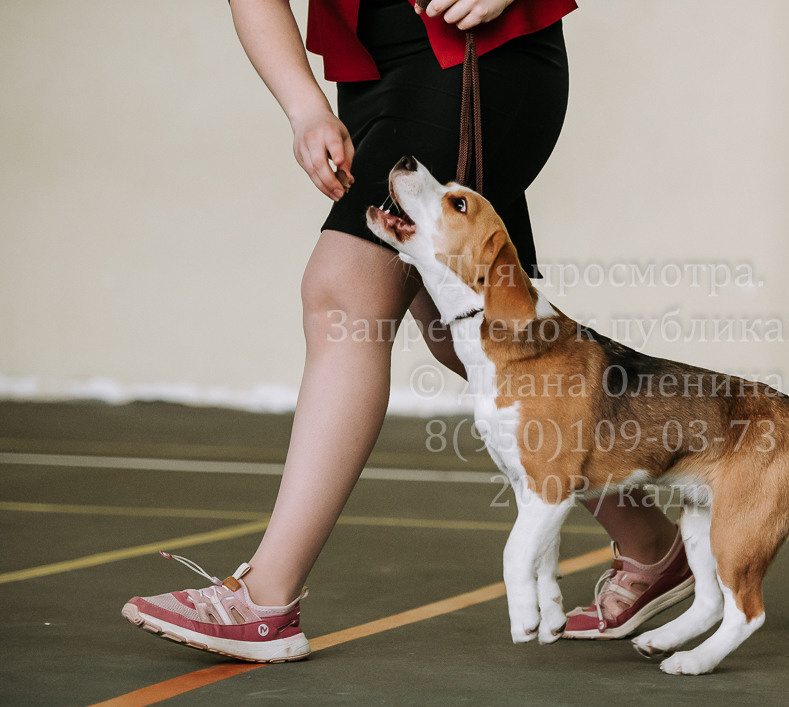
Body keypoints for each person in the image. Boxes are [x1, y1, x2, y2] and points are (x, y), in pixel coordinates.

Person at [123, 0, 694, 662]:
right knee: (465, 332)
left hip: (474, 56)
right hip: (371, 72)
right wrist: (304, 105)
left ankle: (265, 598)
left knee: (343, 293)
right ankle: (653, 544)